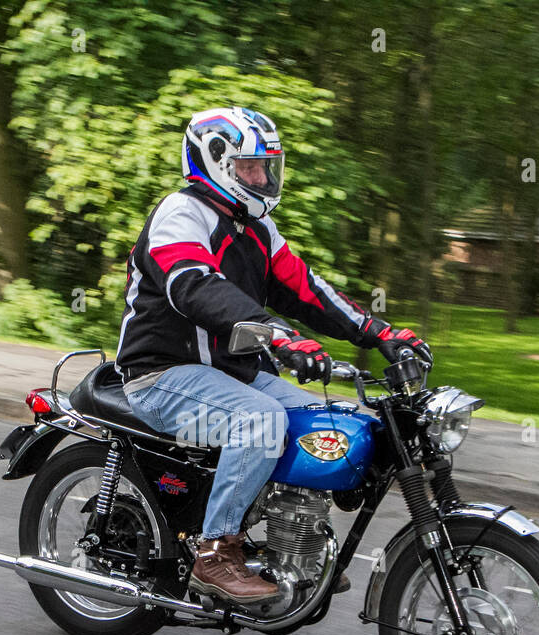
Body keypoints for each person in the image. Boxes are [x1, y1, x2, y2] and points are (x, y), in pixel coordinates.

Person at [115, 106, 431, 604]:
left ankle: (296, 546)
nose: (261, 178)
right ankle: (214, 552)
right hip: (163, 374)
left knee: (331, 418)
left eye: (266, 167)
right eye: (249, 167)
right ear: (213, 162)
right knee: (260, 420)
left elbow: (305, 288)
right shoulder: (181, 214)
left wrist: (378, 332)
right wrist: (277, 336)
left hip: (232, 374)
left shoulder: (256, 229)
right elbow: (195, 287)